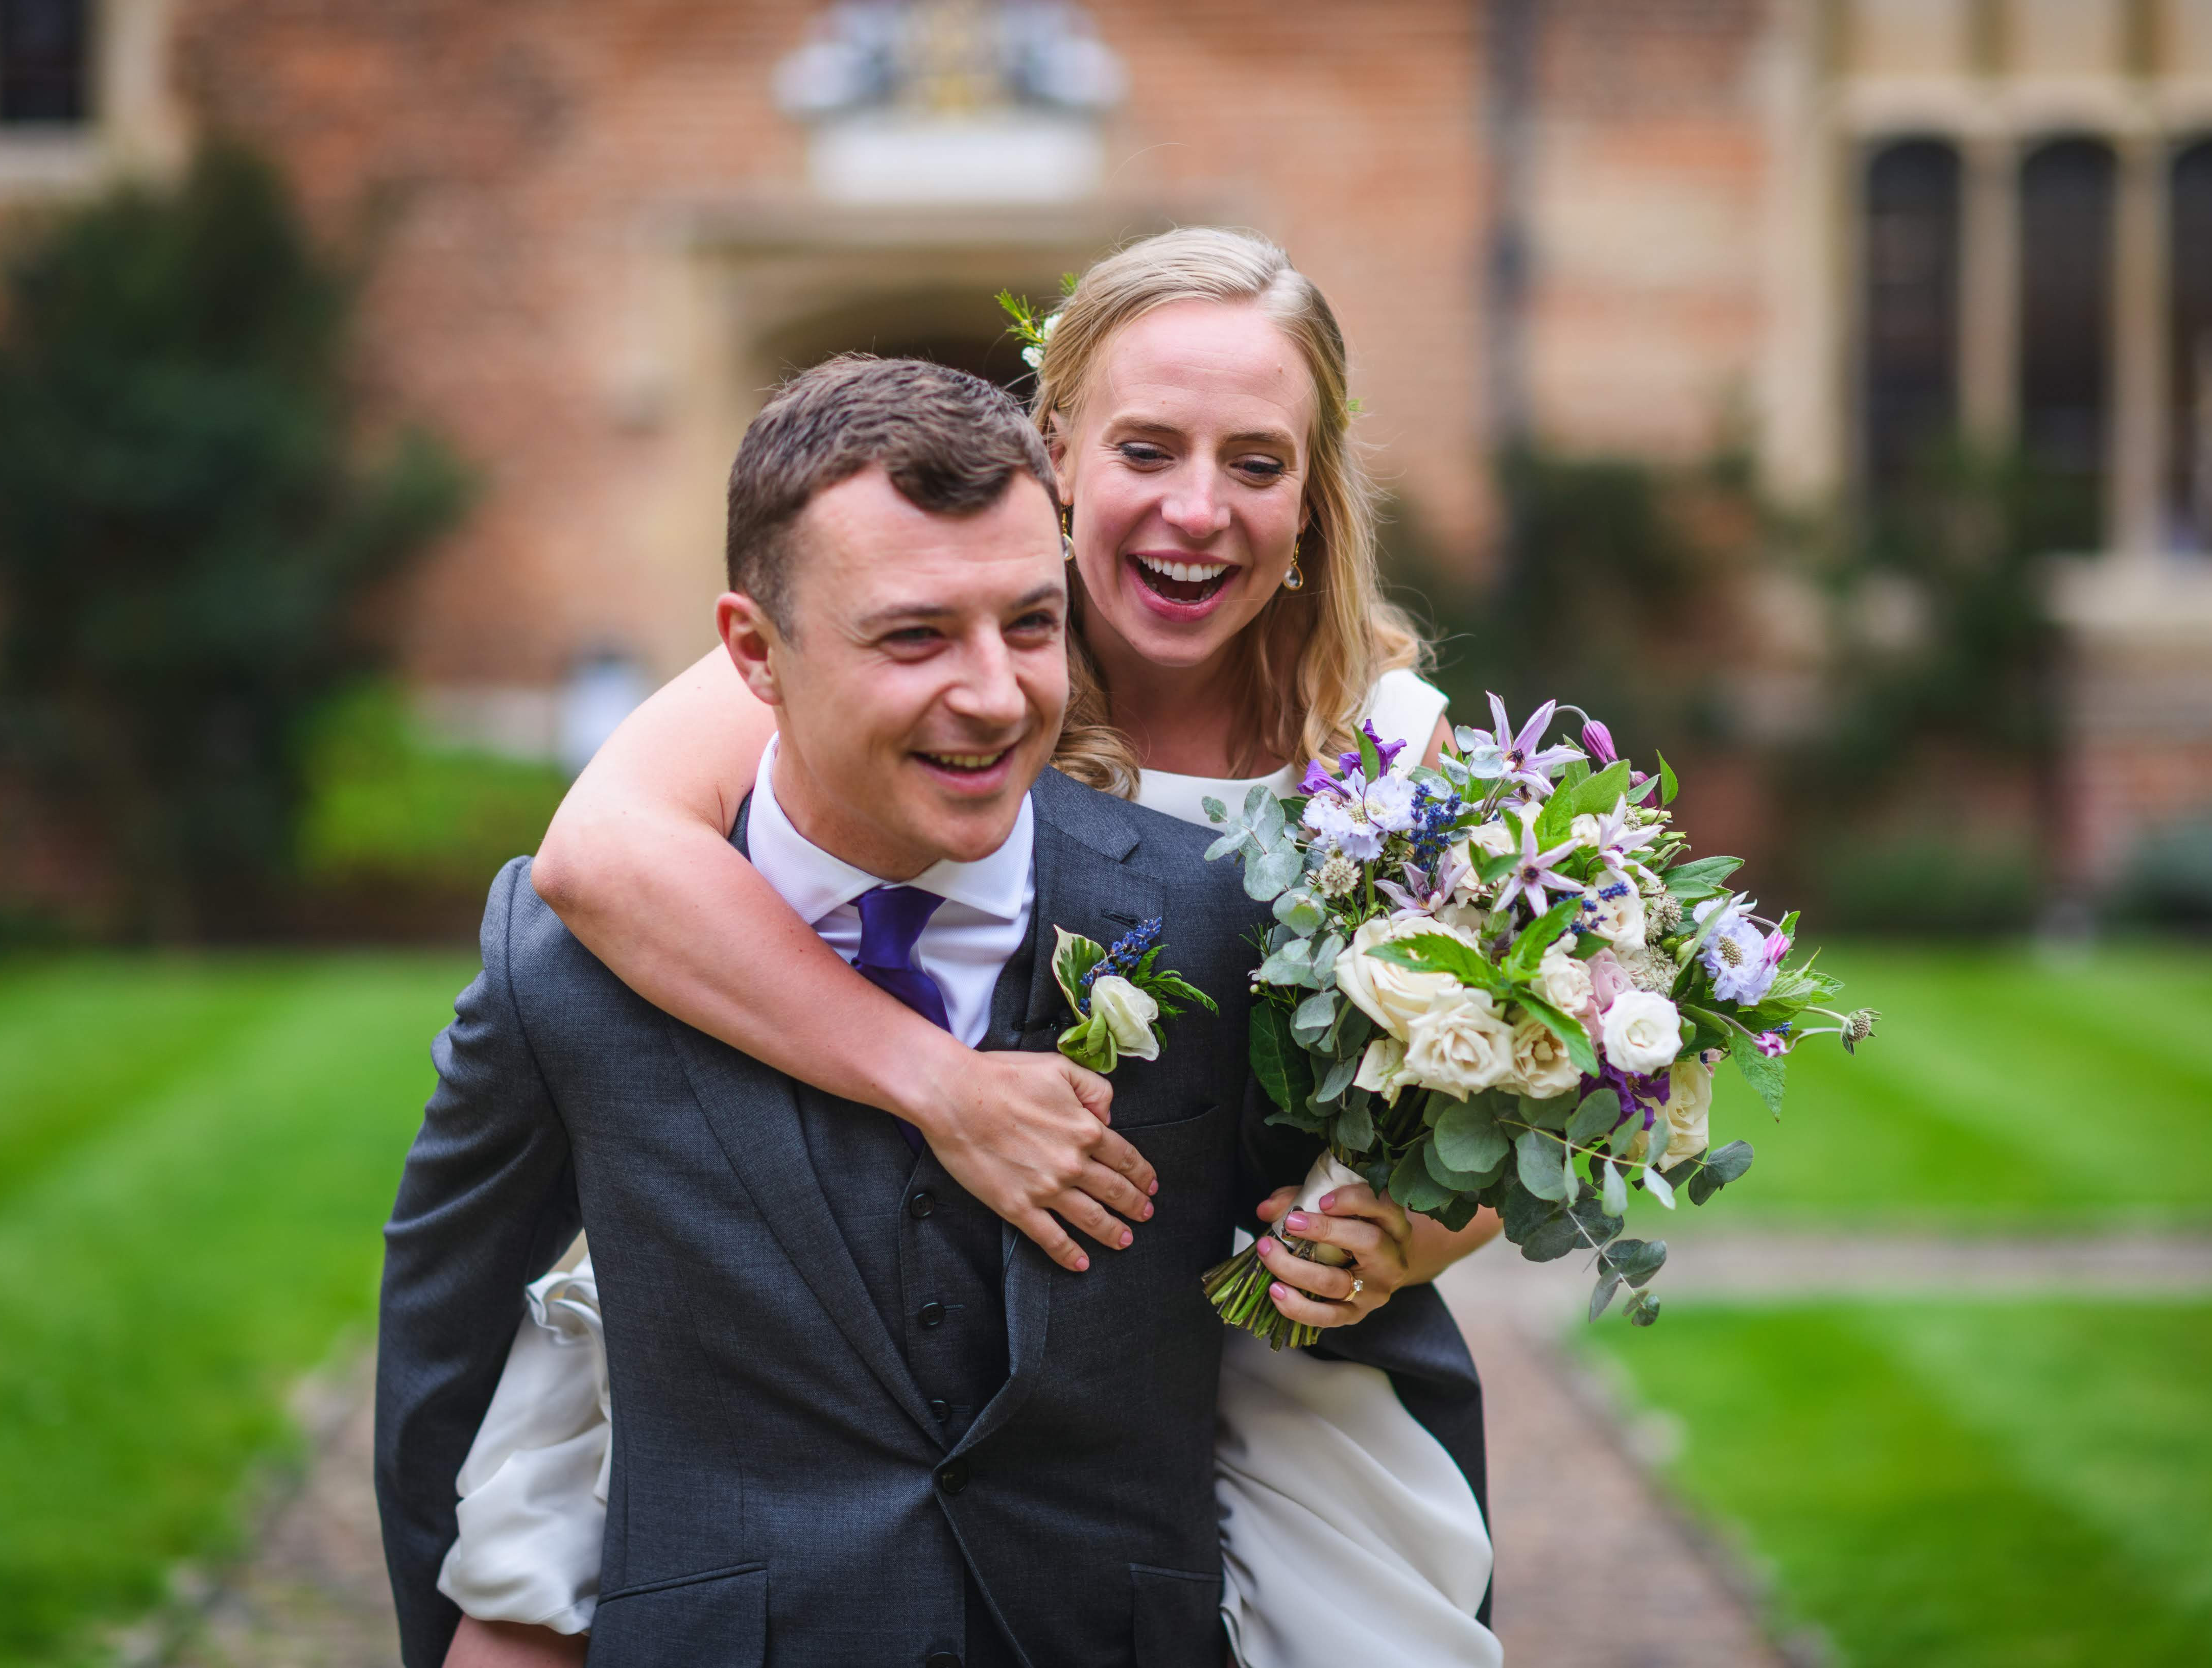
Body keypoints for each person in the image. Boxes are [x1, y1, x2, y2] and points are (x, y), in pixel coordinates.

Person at [445, 230, 1502, 1666]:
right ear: (1054, 451)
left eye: (1256, 464)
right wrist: (935, 1079)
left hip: (1274, 1377)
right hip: (868, 1337)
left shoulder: (1392, 749)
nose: (1197, 510)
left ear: (1312, 497)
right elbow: (599, 854)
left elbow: (1479, 1124)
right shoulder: (914, 649)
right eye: (1146, 450)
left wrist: (1390, 1242)